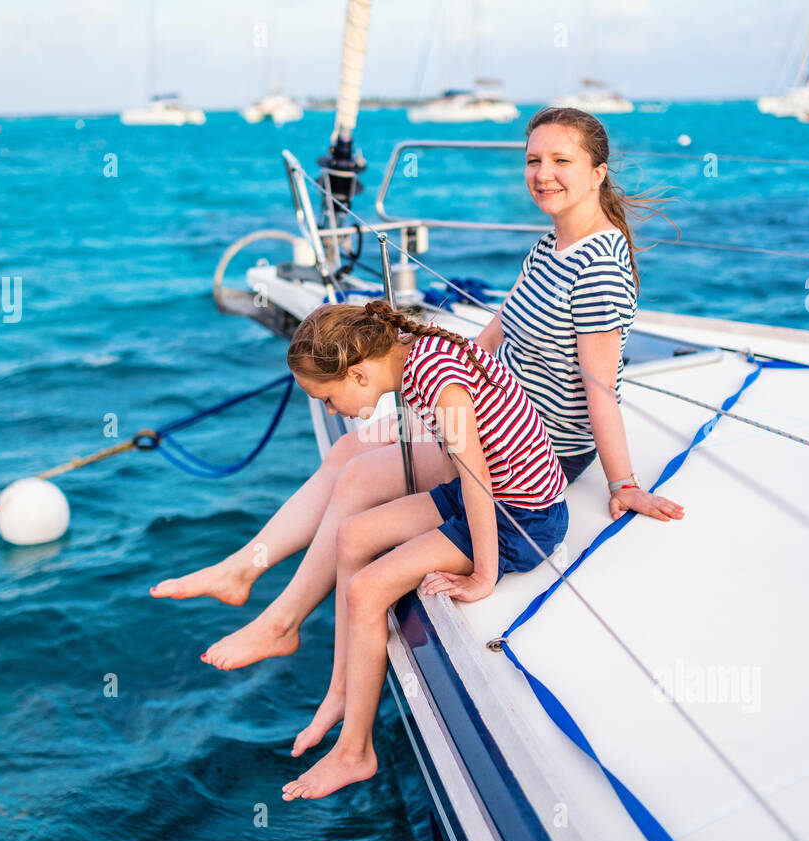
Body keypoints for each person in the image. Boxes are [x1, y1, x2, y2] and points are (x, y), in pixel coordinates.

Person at [150, 106, 682, 673]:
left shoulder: (598, 268)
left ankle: (281, 621)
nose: (542, 173)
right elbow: (504, 319)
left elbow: (600, 387)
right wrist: (463, 365)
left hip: (533, 446)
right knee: (346, 449)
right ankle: (245, 568)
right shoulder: (552, 245)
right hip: (492, 404)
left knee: (356, 475)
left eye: (561, 161)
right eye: (533, 160)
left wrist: (623, 482)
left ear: (598, 172)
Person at [279, 299, 568, 799]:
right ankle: (342, 689)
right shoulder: (415, 352)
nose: (331, 411)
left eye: (327, 398)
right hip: (488, 494)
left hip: (519, 518)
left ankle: (355, 753)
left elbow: (476, 478)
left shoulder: (435, 378)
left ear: (359, 374)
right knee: (352, 536)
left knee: (368, 590)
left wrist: (483, 574)